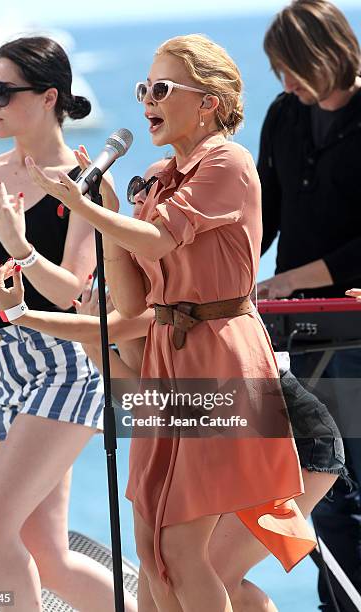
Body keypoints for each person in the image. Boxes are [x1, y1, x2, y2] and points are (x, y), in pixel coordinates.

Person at [8, 33, 321, 611]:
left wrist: (82, 207)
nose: (148, 99)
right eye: (143, 88)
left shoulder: (228, 161)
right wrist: (102, 207)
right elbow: (132, 297)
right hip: (165, 357)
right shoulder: (156, 174)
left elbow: (160, 237)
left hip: (220, 355)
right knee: (150, 546)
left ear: (209, 102)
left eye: (162, 88)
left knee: (179, 546)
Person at [0, 35, 137, 612]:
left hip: (67, 365)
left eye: (4, 91)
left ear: (50, 96)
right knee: (47, 553)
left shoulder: (87, 184)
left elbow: (74, 293)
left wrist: (20, 248)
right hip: (3, 366)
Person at [256, 1, 361, 608]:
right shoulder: (284, 114)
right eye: (280, 72)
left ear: (328, 53)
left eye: (294, 68)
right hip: (298, 327)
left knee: (352, 476)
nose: (288, 84)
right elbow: (266, 213)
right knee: (319, 477)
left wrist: (294, 278)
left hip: (351, 324)